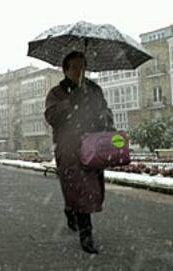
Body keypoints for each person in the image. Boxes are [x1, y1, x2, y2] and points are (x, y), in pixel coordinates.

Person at [44, 51, 115, 254]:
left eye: (82, 66)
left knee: (91, 189)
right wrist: (70, 102)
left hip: (93, 146)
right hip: (69, 148)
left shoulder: (93, 89)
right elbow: (51, 115)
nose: (79, 71)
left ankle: (71, 209)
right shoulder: (57, 92)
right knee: (80, 188)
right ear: (66, 70)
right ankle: (87, 234)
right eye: (74, 67)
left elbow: (105, 110)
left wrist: (105, 118)